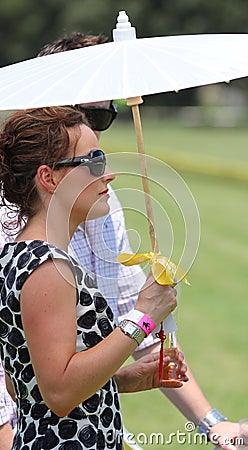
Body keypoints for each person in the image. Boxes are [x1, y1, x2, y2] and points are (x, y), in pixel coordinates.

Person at [37, 33, 241, 449]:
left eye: (104, 119)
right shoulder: (20, 236)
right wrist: (144, 315)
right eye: (88, 120)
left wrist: (214, 425)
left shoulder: (100, 204)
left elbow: (134, 328)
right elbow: (36, 380)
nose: (103, 161)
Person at [0, 106, 182, 449]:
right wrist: (143, 317)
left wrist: (120, 380)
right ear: (49, 178)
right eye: (94, 162)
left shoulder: (20, 255)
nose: (109, 174)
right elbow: (59, 393)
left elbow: (22, 381)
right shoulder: (47, 267)